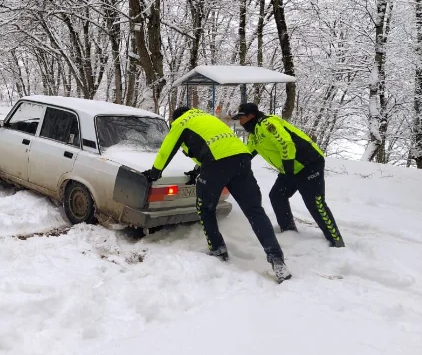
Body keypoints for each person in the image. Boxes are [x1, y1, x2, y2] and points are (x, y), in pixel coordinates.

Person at [143, 106, 292, 283]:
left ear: (175, 118)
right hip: (242, 159)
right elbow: (216, 145)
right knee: (255, 211)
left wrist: (155, 172)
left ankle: (217, 249)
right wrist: (198, 170)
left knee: (206, 208)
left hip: (217, 164)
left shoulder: (181, 123)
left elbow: (166, 150)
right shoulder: (208, 119)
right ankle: (277, 259)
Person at [232, 103, 345, 248]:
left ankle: (336, 241)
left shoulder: (268, 124)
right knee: (277, 195)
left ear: (251, 116)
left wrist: (288, 168)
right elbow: (246, 154)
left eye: (241, 118)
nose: (240, 122)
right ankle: (288, 230)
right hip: (291, 168)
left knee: (315, 203)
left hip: (308, 164)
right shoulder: (255, 134)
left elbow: (286, 143)